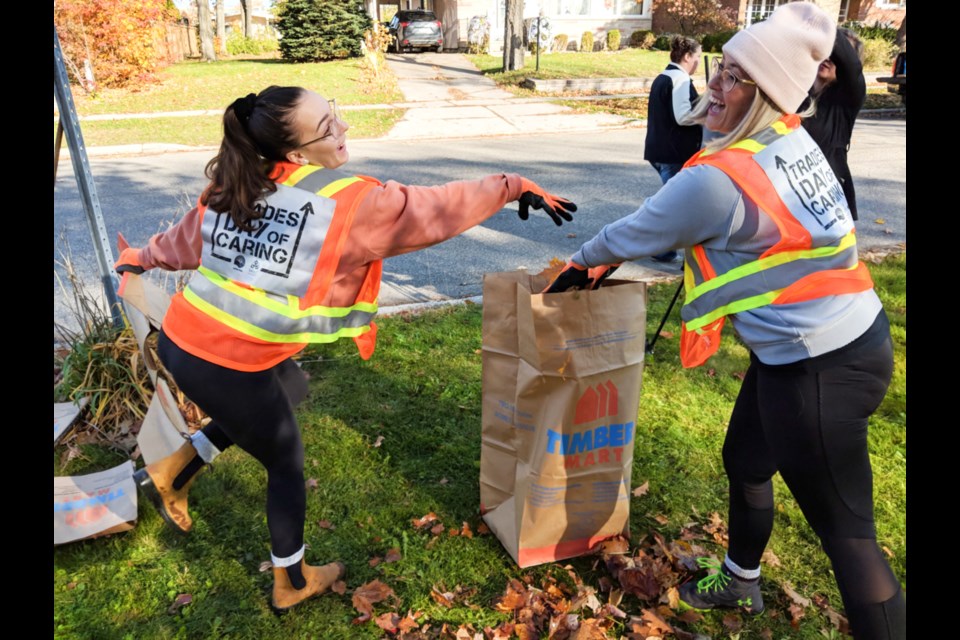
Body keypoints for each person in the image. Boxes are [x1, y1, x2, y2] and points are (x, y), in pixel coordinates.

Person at [114, 85, 575, 612]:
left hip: (185, 341)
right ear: (294, 154)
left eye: (336, 115)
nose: (343, 129)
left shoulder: (238, 183)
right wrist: (512, 186)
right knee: (285, 463)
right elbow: (434, 209)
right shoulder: (347, 204)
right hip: (226, 365)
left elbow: (184, 240)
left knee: (291, 385)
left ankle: (174, 469)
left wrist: (138, 257)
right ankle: (291, 582)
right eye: (327, 126)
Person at [545, 4, 904, 638]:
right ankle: (741, 581)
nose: (715, 84)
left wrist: (578, 266)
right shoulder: (790, 138)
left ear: (766, 95)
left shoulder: (719, 182)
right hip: (833, 343)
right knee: (744, 459)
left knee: (850, 538)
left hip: (820, 367)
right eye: (720, 68)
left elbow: (628, 233)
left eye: (736, 78)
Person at [643, 35, 703, 263]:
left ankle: (664, 249)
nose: (698, 61)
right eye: (697, 56)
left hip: (659, 150)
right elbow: (682, 117)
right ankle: (662, 248)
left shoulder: (663, 77)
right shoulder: (680, 79)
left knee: (672, 204)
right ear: (687, 56)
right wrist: (705, 113)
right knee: (677, 207)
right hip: (675, 153)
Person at [802, 27, 866, 220]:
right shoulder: (798, 92)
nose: (829, 58)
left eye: (836, 53)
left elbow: (852, 67)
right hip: (790, 188)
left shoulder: (848, 98)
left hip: (826, 195)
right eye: (826, 51)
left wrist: (820, 21)